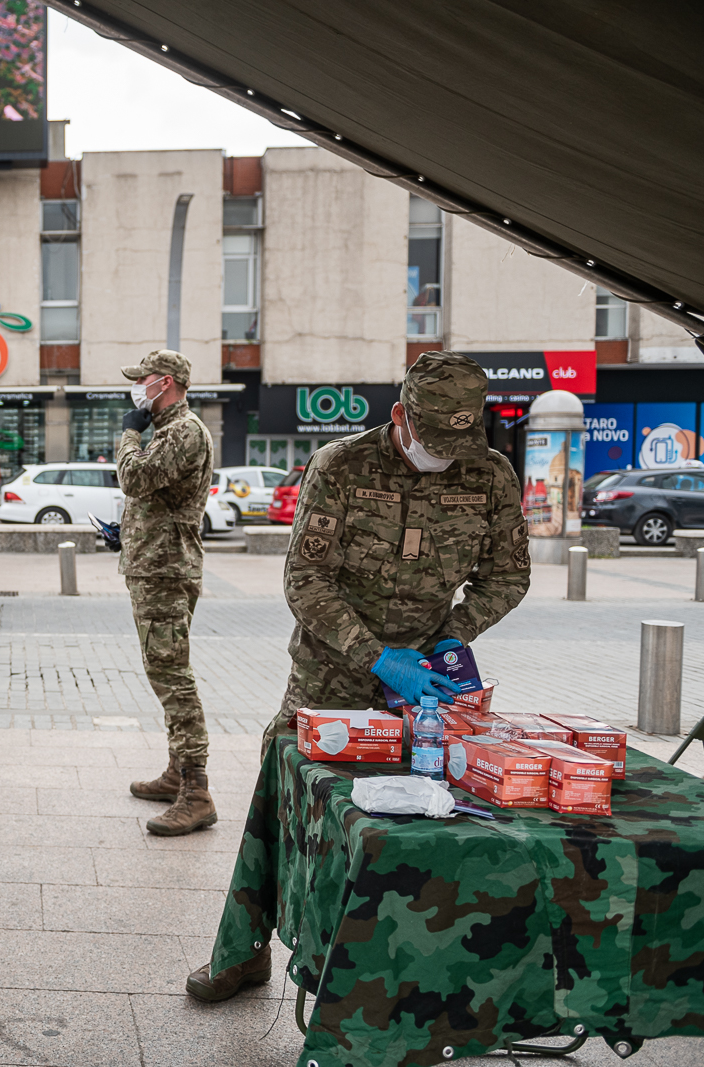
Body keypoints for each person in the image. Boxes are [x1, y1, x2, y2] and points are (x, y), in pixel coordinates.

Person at [185, 350, 531, 1002]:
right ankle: (244, 949)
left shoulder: (489, 474)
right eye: (435, 442)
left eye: (460, 441)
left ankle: (404, 960)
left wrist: (455, 634)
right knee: (284, 810)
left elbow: (509, 574)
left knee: (421, 819)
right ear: (400, 415)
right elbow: (305, 579)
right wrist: (374, 653)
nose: (448, 455)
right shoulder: (341, 466)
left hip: (428, 685)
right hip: (330, 675)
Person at [113, 351, 217, 837]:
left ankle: (196, 791)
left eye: (144, 380)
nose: (138, 388)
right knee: (166, 668)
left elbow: (135, 477)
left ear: (167, 383)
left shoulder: (182, 430)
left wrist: (128, 434)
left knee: (171, 674)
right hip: (156, 564)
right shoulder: (174, 430)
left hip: (164, 571)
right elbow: (154, 497)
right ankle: (178, 772)